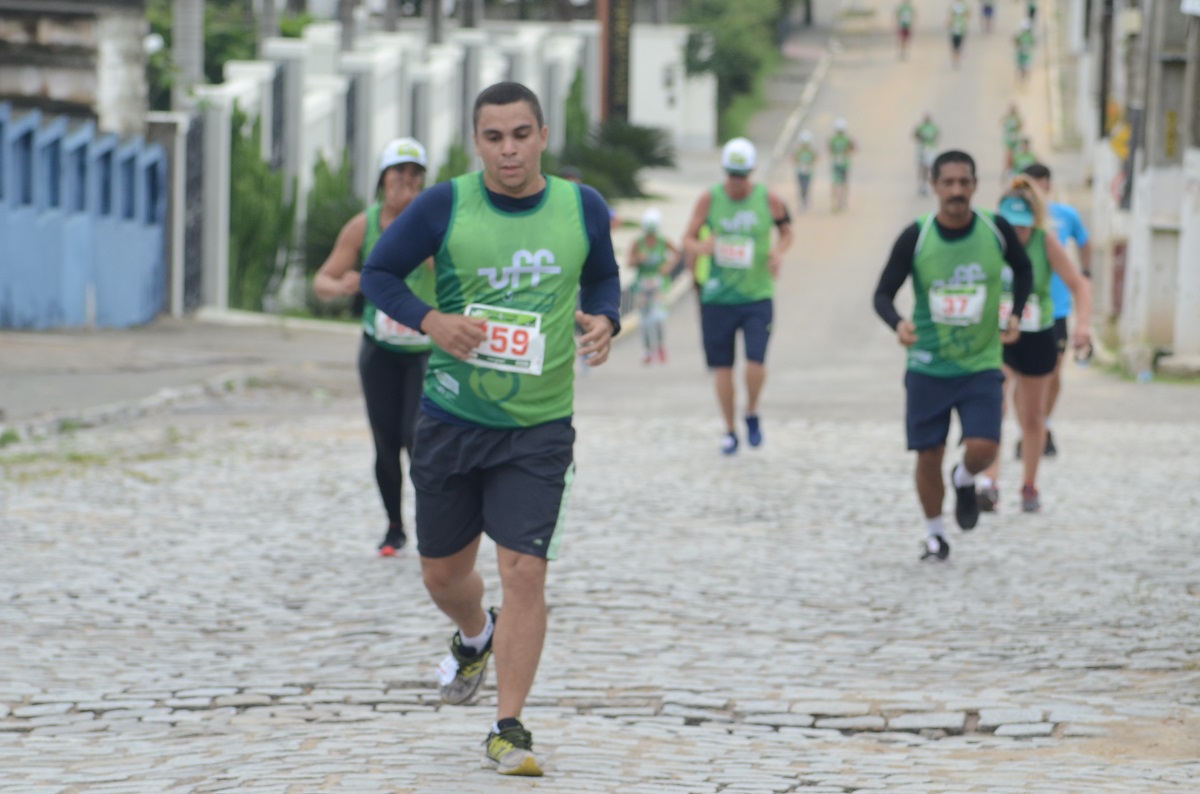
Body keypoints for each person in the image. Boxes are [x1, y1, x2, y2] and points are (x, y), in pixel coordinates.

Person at [360, 81, 620, 777]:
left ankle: (509, 728)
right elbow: (378, 273)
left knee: (524, 571)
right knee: (444, 575)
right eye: (494, 137)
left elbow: (602, 278)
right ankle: (475, 633)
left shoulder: (582, 207)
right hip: (452, 419)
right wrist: (431, 320)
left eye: (521, 135)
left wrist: (606, 319)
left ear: (543, 136)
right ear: (476, 142)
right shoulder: (443, 205)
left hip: (539, 427)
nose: (509, 150)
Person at [873, 150, 1033, 562]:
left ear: (975, 185)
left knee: (984, 447)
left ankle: (964, 478)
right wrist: (898, 324)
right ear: (934, 185)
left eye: (964, 182)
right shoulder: (917, 236)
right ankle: (935, 535)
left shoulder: (996, 229)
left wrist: (1015, 314)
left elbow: (1024, 269)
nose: (957, 191)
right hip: (928, 365)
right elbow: (882, 294)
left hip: (981, 363)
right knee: (929, 454)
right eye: (948, 183)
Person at [312, 138, 435, 558]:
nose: (406, 183)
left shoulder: (434, 225)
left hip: (423, 350)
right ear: (382, 179)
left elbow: (457, 277)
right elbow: (322, 281)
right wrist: (344, 284)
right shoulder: (362, 226)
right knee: (385, 442)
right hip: (379, 349)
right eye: (398, 174)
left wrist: (426, 239)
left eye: (415, 175)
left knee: (417, 438)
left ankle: (432, 525)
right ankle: (394, 527)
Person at [976, 179, 1092, 512]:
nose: (1019, 233)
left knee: (1032, 415)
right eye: (1012, 226)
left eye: (1024, 226)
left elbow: (1079, 285)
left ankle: (1029, 485)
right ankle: (990, 483)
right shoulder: (990, 242)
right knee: (995, 405)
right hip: (1000, 336)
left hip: (1038, 334)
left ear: (1035, 222)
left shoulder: (1045, 242)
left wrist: (1083, 326)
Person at [682, 137, 793, 455]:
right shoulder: (709, 199)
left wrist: (778, 253)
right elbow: (687, 238)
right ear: (724, 172)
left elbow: (787, 232)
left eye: (742, 175)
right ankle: (730, 431)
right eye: (732, 174)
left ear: (752, 172)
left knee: (756, 360)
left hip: (757, 294)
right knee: (723, 367)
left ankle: (752, 411)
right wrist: (702, 247)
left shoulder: (769, 199)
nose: (737, 182)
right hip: (718, 297)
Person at [1017, 161, 1093, 459]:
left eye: (1039, 185)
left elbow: (1085, 241)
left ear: (1047, 185)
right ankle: (1028, 429)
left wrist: (1086, 271)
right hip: (1020, 310)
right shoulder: (1013, 219)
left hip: (1056, 309)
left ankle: (1042, 423)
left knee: (1053, 372)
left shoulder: (1065, 216)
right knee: (1017, 376)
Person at [627, 207, 679, 364]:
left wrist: (668, 266)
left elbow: (677, 253)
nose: (650, 236)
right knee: (644, 321)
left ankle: (660, 345)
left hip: (659, 284)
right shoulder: (638, 242)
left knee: (658, 318)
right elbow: (629, 263)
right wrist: (638, 259)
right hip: (642, 286)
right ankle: (647, 350)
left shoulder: (663, 241)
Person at [828, 119, 857, 212]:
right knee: (840, 183)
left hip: (840, 164)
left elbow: (830, 150)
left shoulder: (836, 139)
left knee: (838, 183)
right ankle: (840, 200)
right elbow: (853, 148)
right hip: (841, 164)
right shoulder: (846, 139)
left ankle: (839, 201)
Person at [913, 114, 940, 196]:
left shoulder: (933, 127)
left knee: (931, 167)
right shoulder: (921, 127)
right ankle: (923, 185)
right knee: (923, 168)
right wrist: (920, 137)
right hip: (923, 149)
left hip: (931, 149)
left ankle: (929, 185)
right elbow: (915, 135)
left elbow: (937, 136)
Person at [793, 130, 818, 210]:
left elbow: (815, 158)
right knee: (801, 188)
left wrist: (809, 165)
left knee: (806, 187)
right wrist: (800, 164)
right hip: (800, 172)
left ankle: (806, 200)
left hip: (808, 172)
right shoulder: (798, 151)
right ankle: (802, 202)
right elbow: (794, 159)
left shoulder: (811, 151)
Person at [1002, 105, 1023, 179]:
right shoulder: (1007, 118)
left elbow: (1021, 126)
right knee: (1008, 155)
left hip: (1015, 139)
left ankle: (1014, 170)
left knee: (1015, 156)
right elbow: (1002, 124)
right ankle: (1006, 171)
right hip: (1009, 139)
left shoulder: (1017, 118)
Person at [948, 0, 970, 68]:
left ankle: (957, 60)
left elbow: (968, 14)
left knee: (959, 47)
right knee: (954, 47)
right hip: (954, 30)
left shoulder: (964, 6)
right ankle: (955, 60)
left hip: (961, 29)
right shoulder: (953, 5)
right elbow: (950, 16)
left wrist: (965, 21)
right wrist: (949, 23)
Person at [1014, 20, 1036, 85]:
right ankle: (1025, 81)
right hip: (1025, 56)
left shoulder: (1022, 36)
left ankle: (1022, 81)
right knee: (1025, 69)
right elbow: (1033, 43)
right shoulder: (1029, 36)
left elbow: (1016, 42)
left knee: (1022, 69)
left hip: (1024, 56)